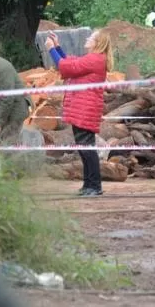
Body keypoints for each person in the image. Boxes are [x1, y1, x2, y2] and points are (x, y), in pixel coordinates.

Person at [46, 30, 114, 197]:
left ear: (98, 43)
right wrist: (58, 47)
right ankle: (89, 184)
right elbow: (72, 63)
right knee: (84, 148)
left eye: (91, 38)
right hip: (84, 109)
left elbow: (67, 68)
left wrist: (51, 50)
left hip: (85, 110)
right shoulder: (95, 59)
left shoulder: (95, 59)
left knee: (87, 149)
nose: (87, 38)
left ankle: (94, 186)